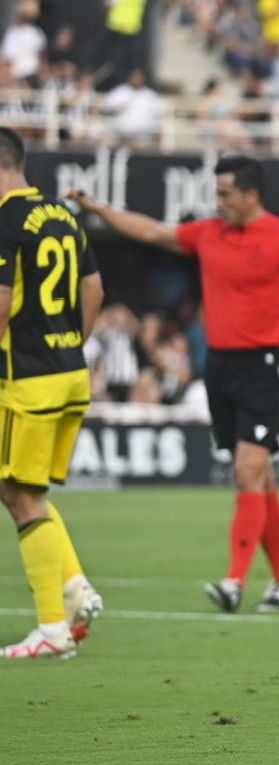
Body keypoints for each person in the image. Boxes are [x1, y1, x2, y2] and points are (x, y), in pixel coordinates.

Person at [68, 156, 279, 614]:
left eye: (224, 193)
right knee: (258, 476)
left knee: (246, 471)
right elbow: (151, 231)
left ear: (250, 194)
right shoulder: (208, 234)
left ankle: (233, 581)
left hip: (265, 365)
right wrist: (98, 210)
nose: (216, 201)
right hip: (220, 368)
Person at [0, 127, 105, 658]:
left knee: (21, 495)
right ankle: (72, 586)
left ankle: (51, 630)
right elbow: (94, 289)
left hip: (28, 380)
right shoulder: (63, 215)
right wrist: (69, 342)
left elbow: (0, 303)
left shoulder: (5, 220)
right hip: (70, 371)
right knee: (22, 489)